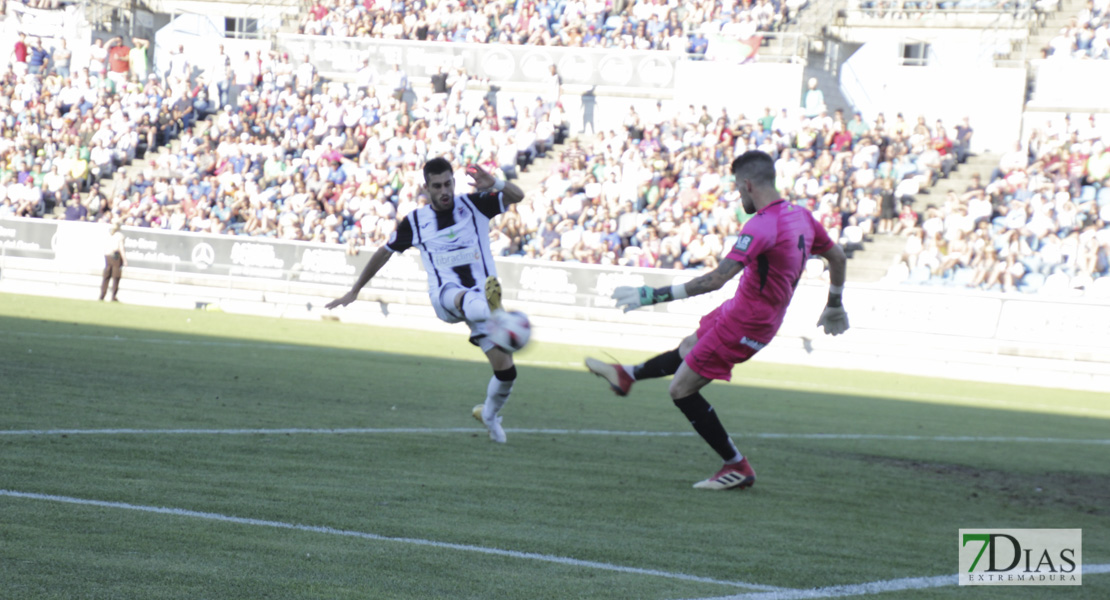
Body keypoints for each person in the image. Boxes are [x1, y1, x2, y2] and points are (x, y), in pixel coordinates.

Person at [585, 150, 850, 491]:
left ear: (747, 184)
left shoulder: (761, 225)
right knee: (688, 347)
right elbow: (837, 257)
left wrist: (651, 296)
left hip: (748, 324)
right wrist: (835, 303)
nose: (739, 196)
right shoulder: (800, 215)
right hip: (740, 308)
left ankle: (736, 465)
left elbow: (713, 280)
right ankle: (628, 376)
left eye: (738, 190)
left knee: (681, 389)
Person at [325, 158, 526, 443]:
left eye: (448, 184)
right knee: (463, 296)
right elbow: (385, 252)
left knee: (506, 373)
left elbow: (518, 196)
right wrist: (355, 289)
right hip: (446, 297)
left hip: (482, 302)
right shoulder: (416, 222)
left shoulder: (475, 205)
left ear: (454, 183)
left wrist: (495, 183)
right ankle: (493, 311)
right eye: (437, 186)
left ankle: (489, 415)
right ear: (426, 188)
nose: (444, 191)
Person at [100, 221, 127, 302]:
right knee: (116, 277)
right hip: (115, 256)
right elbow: (121, 248)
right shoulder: (120, 236)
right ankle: (113, 296)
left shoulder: (109, 235)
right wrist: (125, 260)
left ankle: (102, 294)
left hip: (107, 255)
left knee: (106, 276)